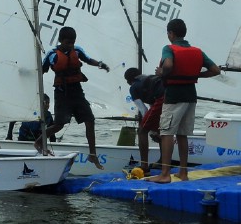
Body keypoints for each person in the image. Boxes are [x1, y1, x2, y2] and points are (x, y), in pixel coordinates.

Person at [150, 18, 221, 183]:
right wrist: (197, 75)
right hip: (191, 96)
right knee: (182, 134)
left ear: (171, 34)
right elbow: (215, 70)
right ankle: (183, 173)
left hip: (174, 96)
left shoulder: (168, 48)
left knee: (166, 133)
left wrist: (162, 72)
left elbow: (167, 65)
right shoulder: (197, 51)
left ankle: (165, 174)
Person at [37, 26, 110, 169]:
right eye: (67, 42)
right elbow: (41, 70)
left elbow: (88, 60)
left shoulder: (77, 50)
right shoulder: (53, 54)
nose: (70, 45)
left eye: (72, 42)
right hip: (61, 93)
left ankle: (92, 154)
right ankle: (39, 142)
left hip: (77, 91)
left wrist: (100, 64)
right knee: (59, 125)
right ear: (61, 40)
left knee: (90, 120)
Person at [124, 67, 165, 174]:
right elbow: (153, 107)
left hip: (162, 99)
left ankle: (144, 166)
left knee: (142, 131)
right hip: (171, 97)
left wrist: (150, 131)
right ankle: (163, 162)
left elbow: (143, 110)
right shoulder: (148, 80)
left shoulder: (133, 87)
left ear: (129, 80)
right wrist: (154, 129)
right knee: (161, 130)